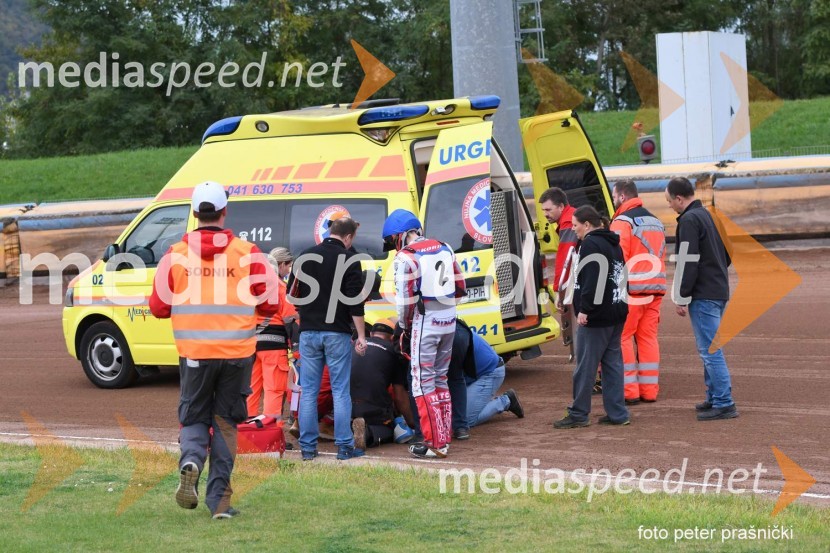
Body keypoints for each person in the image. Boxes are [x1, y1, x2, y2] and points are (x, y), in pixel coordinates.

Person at [149, 180, 281, 519]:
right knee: (225, 424)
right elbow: (270, 303)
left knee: (194, 418)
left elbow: (159, 307)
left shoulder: (174, 255)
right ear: (224, 212)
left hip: (194, 353)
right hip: (237, 354)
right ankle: (219, 503)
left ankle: (191, 460)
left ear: (194, 213)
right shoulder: (247, 253)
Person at [382, 209, 466, 459]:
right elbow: (460, 287)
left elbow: (405, 303)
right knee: (441, 379)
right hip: (449, 320)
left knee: (421, 383)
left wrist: (405, 327)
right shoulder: (445, 246)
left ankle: (434, 443)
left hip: (425, 322)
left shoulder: (405, 257)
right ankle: (442, 439)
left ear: (398, 236)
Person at [287, 217, 368, 460]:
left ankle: (308, 449)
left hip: (309, 331)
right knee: (340, 390)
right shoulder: (350, 259)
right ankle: (344, 447)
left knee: (309, 391)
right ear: (349, 237)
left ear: (330, 231)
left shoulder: (305, 255)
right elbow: (355, 302)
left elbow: (291, 295)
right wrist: (361, 335)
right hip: (337, 332)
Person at [665, 177, 738, 421]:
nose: (669, 206)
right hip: (719, 290)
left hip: (704, 294)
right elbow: (728, 253)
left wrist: (681, 295)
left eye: (669, 201)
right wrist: (715, 270)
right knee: (710, 347)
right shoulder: (710, 215)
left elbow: (687, 260)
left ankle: (724, 402)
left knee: (710, 350)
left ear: (679, 198)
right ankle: (714, 396)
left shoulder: (688, 220)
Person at [553, 205, 630, 429]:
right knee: (613, 365)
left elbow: (591, 279)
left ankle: (579, 413)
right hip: (616, 311)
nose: (574, 230)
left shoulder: (590, 244)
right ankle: (618, 413)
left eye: (576, 226)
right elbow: (621, 275)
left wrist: (585, 309)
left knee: (585, 366)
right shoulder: (612, 241)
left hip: (597, 316)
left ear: (586, 225)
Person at [610, 180, 667, 404]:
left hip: (632, 290)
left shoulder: (622, 221)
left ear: (622, 197)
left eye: (614, 196)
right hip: (656, 289)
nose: (614, 200)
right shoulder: (656, 221)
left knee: (623, 337)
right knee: (648, 338)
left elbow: (617, 258)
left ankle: (629, 392)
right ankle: (649, 391)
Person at [350, 318, 417, 449]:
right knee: (390, 428)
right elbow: (399, 397)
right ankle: (368, 433)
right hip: (372, 408)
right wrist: (413, 425)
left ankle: (348, 432)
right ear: (392, 338)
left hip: (345, 406)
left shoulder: (353, 345)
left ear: (370, 334)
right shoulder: (393, 353)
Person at [247, 248, 297, 418]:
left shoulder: (250, 289)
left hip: (251, 347)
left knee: (251, 390)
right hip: (274, 349)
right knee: (274, 390)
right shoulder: (280, 288)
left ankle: (247, 432)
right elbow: (291, 319)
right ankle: (270, 436)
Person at [450, 321, 524, 428]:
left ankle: (506, 401)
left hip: (490, 373)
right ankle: (477, 399)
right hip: (474, 373)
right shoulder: (447, 330)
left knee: (464, 419)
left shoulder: (452, 338)